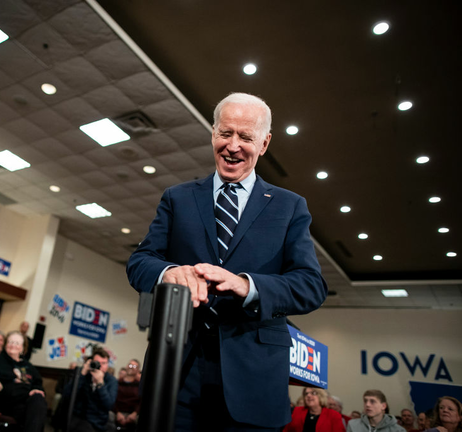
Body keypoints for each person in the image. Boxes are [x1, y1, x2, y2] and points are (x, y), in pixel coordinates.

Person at [126, 92, 327, 431]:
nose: (233, 145)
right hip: (177, 372)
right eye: (225, 133)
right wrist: (170, 272)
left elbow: (311, 285)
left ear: (264, 144)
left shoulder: (289, 206)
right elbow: (140, 261)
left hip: (255, 378)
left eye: (246, 137)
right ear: (213, 134)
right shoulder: (178, 198)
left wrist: (247, 285)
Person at [0, 331, 47, 432]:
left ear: (23, 348)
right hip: (5, 401)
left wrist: (37, 389)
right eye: (10, 342)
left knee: (38, 400)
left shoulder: (28, 366)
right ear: (6, 344)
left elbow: (38, 383)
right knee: (34, 413)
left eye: (17, 343)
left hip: (26, 402)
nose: (13, 345)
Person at [62, 348, 118, 432]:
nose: (101, 366)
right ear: (91, 362)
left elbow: (109, 405)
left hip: (98, 421)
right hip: (78, 417)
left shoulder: (111, 381)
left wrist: (100, 384)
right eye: (97, 363)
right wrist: (82, 374)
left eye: (104, 363)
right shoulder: (83, 374)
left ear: (107, 365)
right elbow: (67, 394)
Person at [108, 359, 141, 432]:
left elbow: (141, 401)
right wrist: (118, 413)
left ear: (138, 369)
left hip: (133, 414)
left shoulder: (139, 385)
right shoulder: (117, 383)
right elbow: (112, 399)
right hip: (116, 412)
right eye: (130, 365)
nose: (131, 367)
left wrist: (135, 413)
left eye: (134, 366)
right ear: (126, 366)